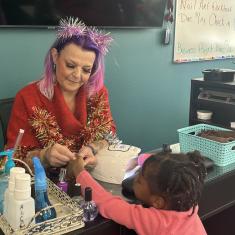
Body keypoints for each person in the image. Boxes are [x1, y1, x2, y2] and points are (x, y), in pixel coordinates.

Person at [6, 17, 116, 173]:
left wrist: (93, 148)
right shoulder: (27, 97)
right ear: (55, 56)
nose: (77, 75)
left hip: (88, 179)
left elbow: (109, 135)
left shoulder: (98, 93)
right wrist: (44, 156)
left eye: (86, 70)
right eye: (70, 65)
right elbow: (13, 158)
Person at [67, 150, 207, 235]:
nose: (134, 179)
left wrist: (79, 171)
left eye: (139, 180)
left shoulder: (154, 222)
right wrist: (139, 160)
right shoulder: (190, 207)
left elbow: (106, 203)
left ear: (157, 201)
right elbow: (165, 164)